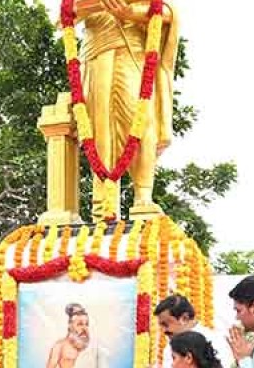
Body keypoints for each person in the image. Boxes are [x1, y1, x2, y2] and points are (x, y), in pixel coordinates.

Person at [74, 0, 179, 219]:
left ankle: (143, 196)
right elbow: (66, 15)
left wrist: (129, 12)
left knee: (140, 124)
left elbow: (166, 12)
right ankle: (103, 204)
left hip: (131, 54)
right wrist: (99, 6)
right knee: (99, 130)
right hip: (96, 56)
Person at [145, 295, 233, 368]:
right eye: (161, 326)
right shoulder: (169, 347)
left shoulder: (213, 341)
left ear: (184, 318)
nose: (164, 331)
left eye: (166, 324)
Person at [45, 303, 126, 368]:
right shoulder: (59, 346)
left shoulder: (95, 347)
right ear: (70, 326)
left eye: (86, 324)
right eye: (79, 324)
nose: (84, 328)